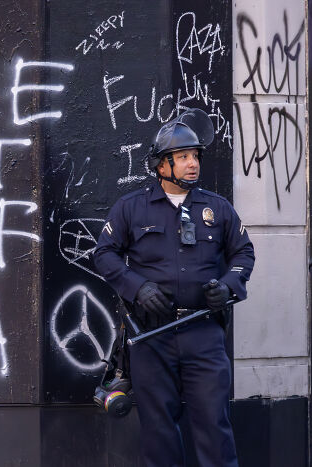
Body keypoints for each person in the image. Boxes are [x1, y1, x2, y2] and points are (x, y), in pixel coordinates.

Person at [93, 108, 255, 467]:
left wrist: (228, 287)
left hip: (205, 335)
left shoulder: (218, 208)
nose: (192, 164)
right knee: (159, 432)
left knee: (215, 427)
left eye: (195, 156)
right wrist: (137, 287)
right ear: (161, 165)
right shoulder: (131, 208)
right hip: (152, 339)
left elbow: (243, 252)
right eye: (182, 157)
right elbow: (104, 255)